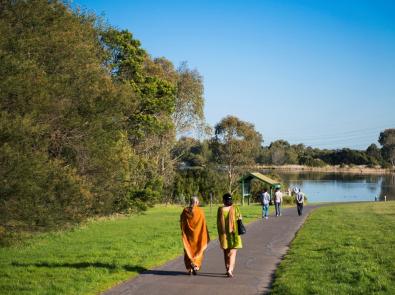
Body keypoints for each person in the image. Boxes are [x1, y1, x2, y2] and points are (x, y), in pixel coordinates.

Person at [180, 196, 210, 275]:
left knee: (188, 250)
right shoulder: (200, 211)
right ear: (196, 202)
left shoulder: (185, 211)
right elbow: (203, 224)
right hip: (198, 235)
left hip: (188, 236)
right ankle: (196, 265)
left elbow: (182, 222)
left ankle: (190, 268)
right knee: (199, 249)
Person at [217, 193, 243, 277]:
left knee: (226, 252)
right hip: (234, 234)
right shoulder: (235, 209)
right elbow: (240, 218)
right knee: (233, 252)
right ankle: (230, 270)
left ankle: (227, 267)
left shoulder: (220, 209)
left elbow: (218, 223)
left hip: (224, 234)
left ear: (224, 200)